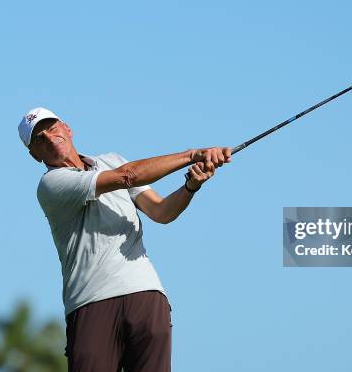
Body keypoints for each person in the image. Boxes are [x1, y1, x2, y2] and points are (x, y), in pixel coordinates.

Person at [17, 107, 231, 372]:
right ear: (34, 155)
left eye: (51, 128)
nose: (49, 138)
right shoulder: (51, 184)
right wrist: (193, 155)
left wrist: (190, 186)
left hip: (145, 293)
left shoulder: (111, 160)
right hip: (91, 302)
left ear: (67, 128)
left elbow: (161, 212)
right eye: (39, 138)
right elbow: (128, 176)